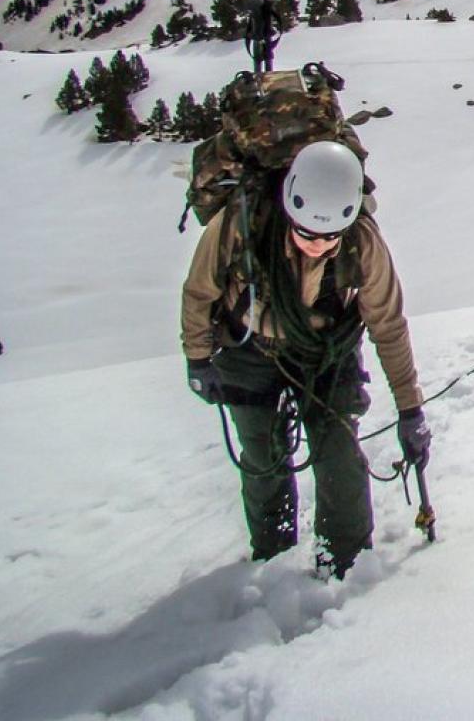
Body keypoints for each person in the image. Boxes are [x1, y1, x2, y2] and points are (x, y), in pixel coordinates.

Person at [181, 140, 430, 579]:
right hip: (249, 348)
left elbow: (387, 325)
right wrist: (198, 358)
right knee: (262, 456)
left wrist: (411, 409)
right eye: (306, 234)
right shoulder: (244, 221)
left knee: (338, 453)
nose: (317, 246)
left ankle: (346, 562)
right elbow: (201, 289)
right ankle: (272, 556)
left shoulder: (364, 243)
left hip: (326, 353)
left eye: (330, 237)